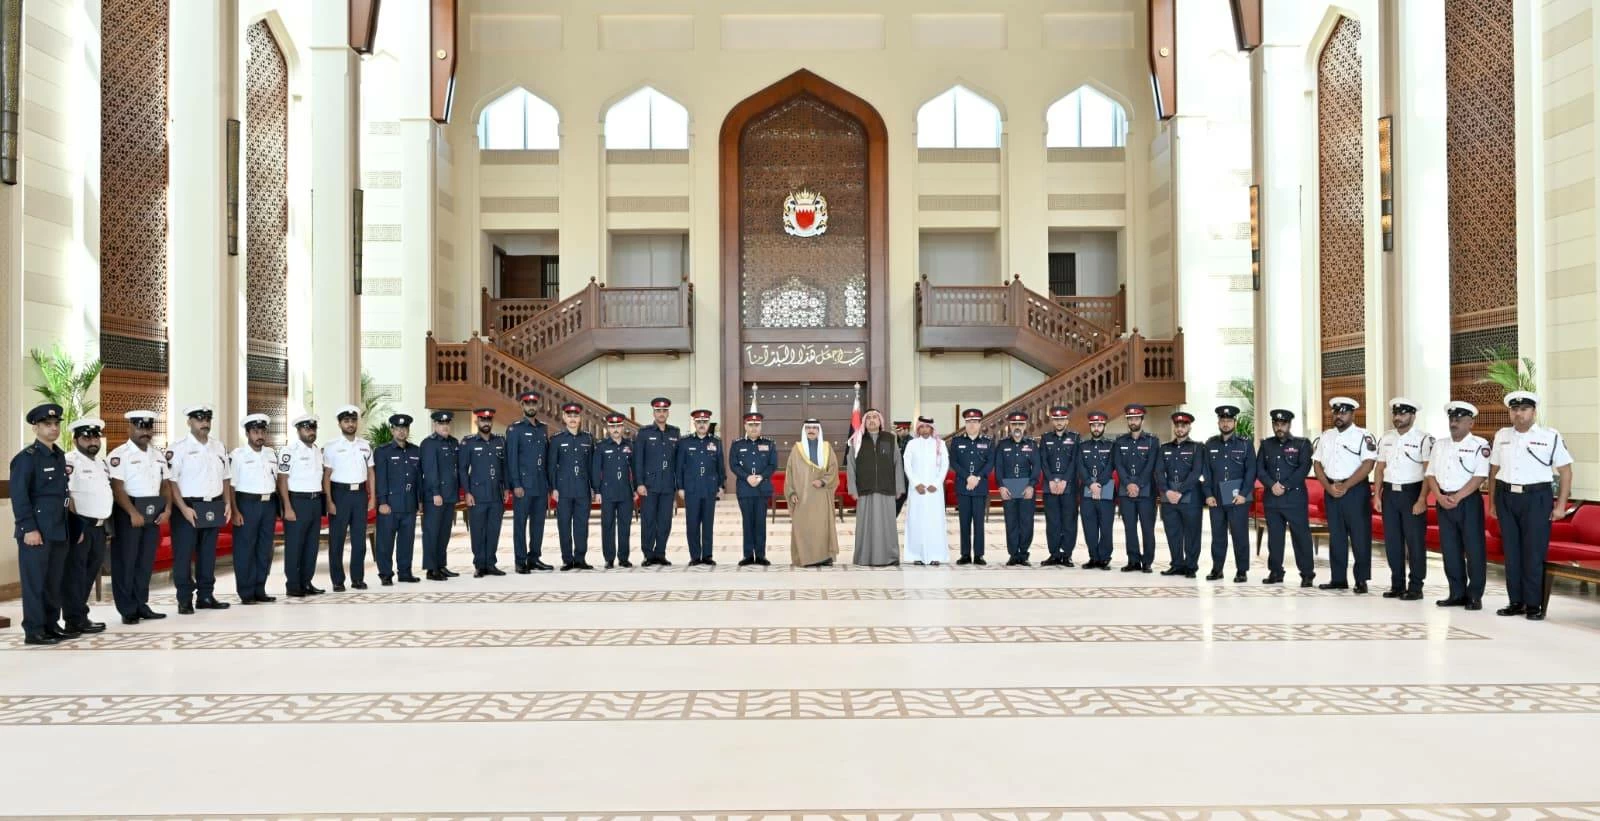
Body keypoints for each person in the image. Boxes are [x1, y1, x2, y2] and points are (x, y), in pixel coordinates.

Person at [1487, 391, 1573, 621]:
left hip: (1537, 498)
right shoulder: (1502, 435)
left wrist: (1561, 505)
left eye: (1524, 409)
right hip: (1506, 496)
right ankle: (1516, 601)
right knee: (1512, 552)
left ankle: (1534, 604)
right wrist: (1493, 502)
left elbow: (1565, 471)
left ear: (1534, 412)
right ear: (1509, 412)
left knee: (1533, 552)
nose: (1519, 414)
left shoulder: (1549, 436)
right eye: (1514, 409)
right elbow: (1494, 471)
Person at [11, 404, 71, 644]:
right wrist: (29, 528)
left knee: (53, 582)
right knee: (35, 583)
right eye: (48, 424)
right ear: (36, 427)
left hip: (58, 529)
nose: (53, 428)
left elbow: (62, 495)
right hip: (36, 531)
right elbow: (20, 496)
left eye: (56, 424)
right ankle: (34, 630)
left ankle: (50, 624)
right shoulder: (26, 459)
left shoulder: (59, 455)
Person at [1425, 401, 1490, 610]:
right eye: (1452, 419)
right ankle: (1456, 592)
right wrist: (1439, 496)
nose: (1454, 423)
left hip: (1467, 502)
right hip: (1443, 501)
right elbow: (1431, 474)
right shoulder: (1440, 445)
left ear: (1470, 422)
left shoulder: (1480, 445)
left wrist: (1458, 497)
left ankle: (1474, 595)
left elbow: (1480, 476)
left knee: (1474, 549)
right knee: (1450, 549)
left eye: (1459, 419)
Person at [167, 404, 231, 614]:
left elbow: (226, 478)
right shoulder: (178, 448)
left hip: (212, 504)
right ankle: (184, 598)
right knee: (184, 555)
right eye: (199, 419)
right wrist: (184, 508)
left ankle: (205, 595)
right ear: (189, 422)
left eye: (207, 419)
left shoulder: (218, 446)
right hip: (187, 506)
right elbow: (172, 481)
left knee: (207, 553)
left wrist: (227, 503)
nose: (204, 423)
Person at [107, 410, 169, 623]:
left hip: (153, 511)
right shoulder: (119, 455)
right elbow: (117, 488)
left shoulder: (158, 455)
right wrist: (132, 512)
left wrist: (166, 509)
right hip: (128, 512)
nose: (145, 432)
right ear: (130, 428)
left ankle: (141, 604)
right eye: (140, 427)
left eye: (148, 427)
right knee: (126, 562)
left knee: (144, 562)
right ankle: (127, 609)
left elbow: (165, 484)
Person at [1313, 396, 1377, 593]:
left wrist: (1346, 485)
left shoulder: (1363, 436)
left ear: (1352, 414)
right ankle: (1338, 578)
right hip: (1331, 490)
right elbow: (1317, 464)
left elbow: (1368, 464)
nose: (1339, 416)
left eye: (1343, 412)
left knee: (1360, 536)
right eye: (1336, 412)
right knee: (1337, 537)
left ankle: (1361, 580)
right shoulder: (1326, 436)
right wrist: (1329, 486)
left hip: (1355, 491)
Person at [1373, 398, 1433, 600]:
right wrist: (1377, 495)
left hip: (1412, 493)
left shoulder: (1424, 439)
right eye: (1396, 414)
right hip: (1390, 493)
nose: (1398, 418)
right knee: (1392, 542)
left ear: (1413, 416)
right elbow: (1380, 468)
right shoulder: (1386, 438)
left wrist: (1423, 498)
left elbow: (1428, 472)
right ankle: (1397, 584)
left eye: (1403, 414)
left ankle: (1416, 586)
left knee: (1415, 542)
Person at [1256, 409, 1316, 586]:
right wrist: (1271, 484)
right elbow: (1260, 469)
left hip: (1294, 498)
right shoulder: (1266, 445)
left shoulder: (1302, 444)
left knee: (1301, 537)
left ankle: (1307, 574)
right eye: (1276, 424)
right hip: (1272, 498)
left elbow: (1304, 467)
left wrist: (1285, 485)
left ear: (1289, 425)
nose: (1279, 427)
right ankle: (1275, 572)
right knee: (1274, 538)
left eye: (1282, 424)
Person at [62, 417, 110, 635]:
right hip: (81, 526)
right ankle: (74, 619)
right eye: (86, 436)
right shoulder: (70, 462)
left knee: (89, 572)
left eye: (95, 436)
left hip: (99, 527)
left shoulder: (101, 463)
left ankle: (81, 615)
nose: (92, 440)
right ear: (75, 440)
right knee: (75, 574)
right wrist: (75, 527)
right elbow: (67, 495)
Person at [226, 413, 278, 604]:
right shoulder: (238, 456)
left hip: (269, 504)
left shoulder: (271, 454)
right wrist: (235, 510)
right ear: (247, 433)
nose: (260, 435)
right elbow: (231, 486)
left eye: (262, 431)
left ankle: (260, 588)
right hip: (247, 504)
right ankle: (246, 592)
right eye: (255, 431)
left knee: (264, 549)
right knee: (245, 549)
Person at [323, 404, 375, 591]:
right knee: (336, 540)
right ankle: (337, 580)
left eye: (353, 420)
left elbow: (371, 473)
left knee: (359, 540)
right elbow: (326, 476)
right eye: (346, 421)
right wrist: (329, 501)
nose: (350, 424)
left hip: (360, 495)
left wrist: (372, 497)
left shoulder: (365, 445)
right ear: (339, 424)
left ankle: (357, 579)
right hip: (339, 494)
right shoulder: (331, 447)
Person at [1203, 404, 1257, 583]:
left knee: (1240, 534)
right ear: (1218, 422)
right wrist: (1208, 494)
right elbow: (1207, 472)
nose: (1225, 424)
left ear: (1235, 422)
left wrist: (1243, 493)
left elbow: (1251, 471)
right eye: (1222, 420)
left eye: (1229, 420)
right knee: (1218, 535)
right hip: (1217, 497)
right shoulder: (1210, 444)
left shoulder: (1245, 444)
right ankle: (1217, 569)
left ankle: (1242, 571)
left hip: (1237, 497)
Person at [847, 409, 903, 566]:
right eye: (869, 418)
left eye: (875, 417)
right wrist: (852, 488)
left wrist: (899, 487)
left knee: (887, 526)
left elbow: (897, 463)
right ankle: (864, 558)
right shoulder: (857, 439)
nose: (872, 420)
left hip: (886, 489)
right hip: (865, 490)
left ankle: (890, 557)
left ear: (880, 421)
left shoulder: (890, 439)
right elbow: (851, 466)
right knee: (866, 527)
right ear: (864, 422)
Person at [278, 415, 326, 597]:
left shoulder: (317, 451)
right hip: (297, 502)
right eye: (307, 429)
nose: (311, 432)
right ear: (298, 430)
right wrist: (287, 507)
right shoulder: (289, 451)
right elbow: (282, 480)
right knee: (294, 546)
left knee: (311, 545)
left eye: (313, 428)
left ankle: (306, 582)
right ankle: (293, 584)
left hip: (315, 502)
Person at [374, 413, 424, 585]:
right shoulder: (382, 451)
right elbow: (380, 478)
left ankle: (405, 572)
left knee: (406, 541)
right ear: (392, 430)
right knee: (385, 542)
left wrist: (419, 500)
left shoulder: (415, 451)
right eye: (398, 429)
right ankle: (385, 574)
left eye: (405, 428)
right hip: (390, 505)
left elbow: (418, 479)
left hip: (409, 504)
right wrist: (382, 502)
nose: (402, 432)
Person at [506, 390, 553, 573]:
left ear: (538, 405)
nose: (531, 406)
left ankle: (534, 558)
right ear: (522, 406)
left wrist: (549, 484)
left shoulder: (543, 428)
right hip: (523, 486)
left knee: (538, 524)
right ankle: (520, 560)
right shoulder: (515, 429)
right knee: (520, 524)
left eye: (534, 403)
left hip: (541, 485)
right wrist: (516, 484)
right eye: (527, 404)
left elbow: (546, 458)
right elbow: (512, 459)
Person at [1155, 410, 1204, 578]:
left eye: (1184, 425)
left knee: (1192, 533)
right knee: (1173, 532)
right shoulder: (1164, 448)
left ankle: (1191, 566)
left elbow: (1196, 472)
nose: (1180, 428)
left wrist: (1180, 491)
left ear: (1189, 427)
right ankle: (1176, 564)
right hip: (1169, 498)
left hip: (1190, 497)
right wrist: (1168, 491)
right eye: (1177, 425)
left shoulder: (1197, 448)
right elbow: (1159, 472)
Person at [459, 408, 508, 576]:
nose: (486, 423)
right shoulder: (469, 442)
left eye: (488, 420)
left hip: (496, 494)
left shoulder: (500, 441)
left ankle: (491, 563)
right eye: (482, 420)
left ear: (491, 422)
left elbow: (505, 467)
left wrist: (507, 488)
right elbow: (463, 470)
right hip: (477, 494)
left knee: (493, 529)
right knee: (478, 530)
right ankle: (480, 565)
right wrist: (467, 492)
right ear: (476, 422)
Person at [787, 419, 841, 567]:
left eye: (814, 428)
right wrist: (791, 493)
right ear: (804, 430)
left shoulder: (826, 448)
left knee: (822, 527)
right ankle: (805, 558)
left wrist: (823, 481)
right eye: (808, 428)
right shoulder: (796, 449)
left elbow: (833, 469)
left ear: (819, 431)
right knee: (803, 527)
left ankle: (824, 557)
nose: (811, 430)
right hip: (802, 496)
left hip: (821, 495)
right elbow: (789, 474)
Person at [634, 397, 680, 566]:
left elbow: (677, 462)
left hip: (668, 485)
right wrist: (639, 483)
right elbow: (638, 460)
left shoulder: (675, 433)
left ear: (668, 413)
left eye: (664, 411)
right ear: (653, 412)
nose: (661, 413)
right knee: (648, 521)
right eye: (658, 411)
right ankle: (648, 554)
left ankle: (660, 553)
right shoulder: (644, 433)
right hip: (649, 486)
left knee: (665, 521)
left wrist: (677, 485)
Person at [1114, 403, 1159, 572]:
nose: (1133, 421)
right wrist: (1128, 484)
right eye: (1130, 418)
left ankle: (1147, 561)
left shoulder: (1152, 441)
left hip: (1146, 492)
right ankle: (1133, 560)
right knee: (1130, 528)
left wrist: (1138, 484)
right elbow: (1118, 465)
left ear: (1142, 419)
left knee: (1147, 528)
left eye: (1136, 418)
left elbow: (1151, 466)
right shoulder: (1120, 441)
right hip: (1126, 492)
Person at [676, 409, 725, 565]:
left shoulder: (716, 442)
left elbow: (720, 466)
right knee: (692, 523)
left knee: (708, 523)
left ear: (708, 423)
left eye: (704, 422)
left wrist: (721, 485)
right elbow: (679, 467)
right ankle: (695, 556)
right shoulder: (685, 442)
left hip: (709, 488)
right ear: (694, 423)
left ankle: (708, 555)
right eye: (699, 422)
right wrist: (680, 487)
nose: (702, 425)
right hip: (691, 489)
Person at [729, 412, 777, 566]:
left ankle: (761, 555)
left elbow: (772, 465)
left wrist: (761, 477)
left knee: (760, 522)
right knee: (747, 522)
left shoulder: (769, 444)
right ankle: (748, 555)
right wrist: (746, 477)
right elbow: (733, 464)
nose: (754, 427)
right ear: (745, 426)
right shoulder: (737, 444)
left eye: (757, 425)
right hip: (745, 489)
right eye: (750, 425)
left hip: (762, 489)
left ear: (761, 426)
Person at [993, 410, 1040, 566]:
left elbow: (1036, 467)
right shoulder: (1003, 445)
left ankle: (1023, 553)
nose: (1017, 427)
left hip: (1026, 489)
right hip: (1009, 489)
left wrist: (1031, 485)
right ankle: (1013, 554)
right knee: (1011, 522)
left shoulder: (1032, 445)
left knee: (1026, 522)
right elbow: (998, 467)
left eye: (1020, 424)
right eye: (1014, 424)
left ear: (1025, 425)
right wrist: (1001, 486)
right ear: (1010, 426)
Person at [949, 408, 994, 565]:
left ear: (980, 423)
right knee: (964, 522)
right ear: (965, 424)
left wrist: (977, 477)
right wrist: (968, 477)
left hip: (980, 487)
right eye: (969, 422)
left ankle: (979, 555)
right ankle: (965, 554)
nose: (972, 425)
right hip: (963, 487)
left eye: (975, 422)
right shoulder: (957, 441)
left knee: (979, 523)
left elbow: (990, 463)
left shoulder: (988, 441)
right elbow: (954, 462)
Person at [903, 416, 949, 565]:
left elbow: (944, 465)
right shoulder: (912, 444)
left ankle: (936, 555)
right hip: (917, 490)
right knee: (916, 522)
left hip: (934, 491)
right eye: (921, 427)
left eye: (927, 427)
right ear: (918, 429)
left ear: (932, 429)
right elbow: (907, 465)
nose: (924, 430)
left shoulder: (940, 444)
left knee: (935, 522)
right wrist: (916, 483)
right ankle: (916, 555)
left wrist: (936, 483)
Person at [420, 410, 461, 580]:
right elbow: (430, 471)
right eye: (441, 424)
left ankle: (441, 565)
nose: (445, 426)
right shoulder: (428, 444)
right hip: (435, 497)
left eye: (447, 424)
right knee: (432, 532)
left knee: (444, 532)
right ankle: (431, 569)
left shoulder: (453, 442)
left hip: (450, 495)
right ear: (435, 425)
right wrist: (436, 492)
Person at [592, 412, 635, 569]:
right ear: (608, 428)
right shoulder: (601, 446)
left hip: (625, 492)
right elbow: (596, 469)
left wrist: (635, 488)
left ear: (623, 427)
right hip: (607, 492)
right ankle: (609, 558)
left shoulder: (629, 446)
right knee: (608, 525)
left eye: (618, 426)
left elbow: (634, 469)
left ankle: (623, 558)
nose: (616, 429)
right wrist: (597, 491)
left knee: (625, 526)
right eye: (612, 426)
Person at [1039, 405, 1080, 567]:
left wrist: (1064, 481)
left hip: (1068, 486)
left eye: (1062, 419)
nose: (1059, 422)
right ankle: (1054, 553)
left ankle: (1067, 554)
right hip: (1050, 486)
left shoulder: (1075, 438)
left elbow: (1075, 462)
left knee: (1069, 521)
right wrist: (1050, 479)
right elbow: (1043, 461)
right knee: (1053, 521)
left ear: (1067, 421)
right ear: (1053, 421)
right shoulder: (1046, 438)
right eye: (1056, 419)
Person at [1077, 411, 1116, 569]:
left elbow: (1111, 466)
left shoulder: (1111, 446)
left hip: (1106, 490)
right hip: (1087, 491)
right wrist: (1090, 484)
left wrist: (1098, 483)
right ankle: (1093, 557)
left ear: (1104, 426)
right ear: (1090, 426)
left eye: (1099, 425)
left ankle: (1105, 557)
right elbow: (1080, 467)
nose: (1096, 427)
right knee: (1089, 526)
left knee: (1106, 526)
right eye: (1094, 425)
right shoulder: (1082, 446)